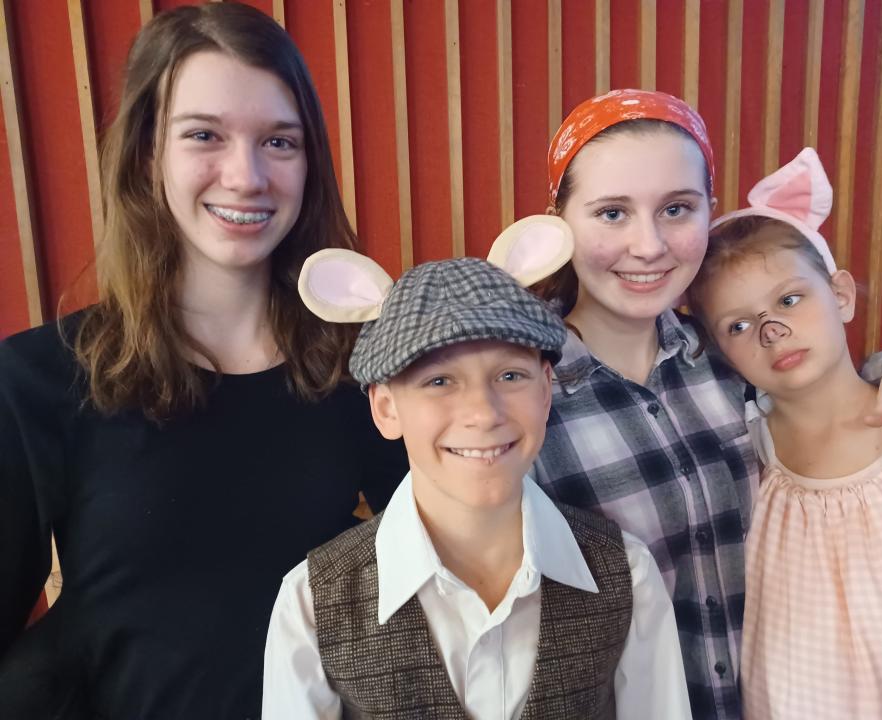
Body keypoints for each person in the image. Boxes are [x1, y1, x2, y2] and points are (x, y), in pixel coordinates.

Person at [0, 5, 406, 718]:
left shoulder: (364, 363)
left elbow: (443, 560)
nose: (246, 176)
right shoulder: (37, 380)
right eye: (203, 136)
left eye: (279, 141)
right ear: (147, 154)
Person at [530, 89, 882, 720]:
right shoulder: (524, 395)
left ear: (708, 211)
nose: (648, 246)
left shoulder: (724, 357)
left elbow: (822, 383)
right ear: (561, 220)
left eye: (677, 208)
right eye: (613, 213)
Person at [261, 216, 692, 719]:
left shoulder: (627, 574)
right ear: (385, 408)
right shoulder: (312, 604)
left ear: (546, 388)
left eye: (510, 375)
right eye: (439, 381)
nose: (484, 413)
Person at [687, 147, 882, 719]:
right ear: (718, 350)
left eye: (790, 299)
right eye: (739, 325)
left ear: (840, 295)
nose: (773, 332)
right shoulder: (745, 455)